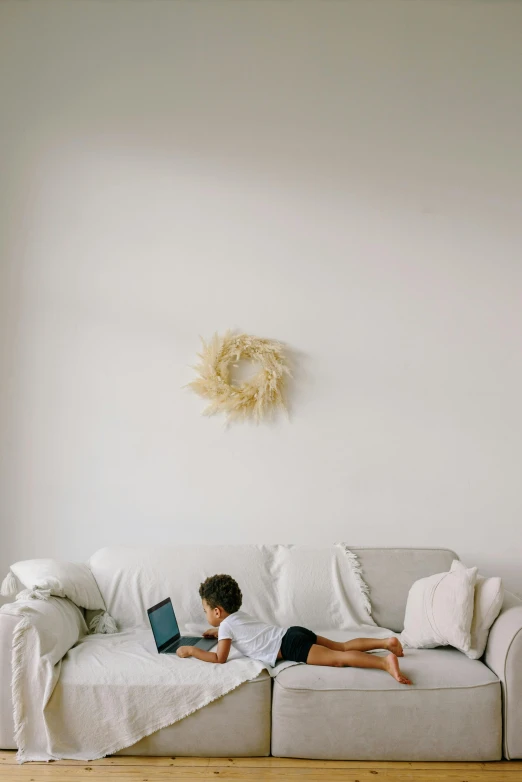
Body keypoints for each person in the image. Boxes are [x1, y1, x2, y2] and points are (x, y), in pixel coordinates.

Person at [176, 574, 412, 684]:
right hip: (293, 633)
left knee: (339, 658)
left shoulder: (227, 626)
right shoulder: (237, 618)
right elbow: (240, 632)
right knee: (341, 646)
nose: (205, 614)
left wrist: (191, 651)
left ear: (217, 612)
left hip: (290, 646)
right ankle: (385, 642)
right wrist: (218, 633)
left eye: (205, 609)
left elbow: (219, 658)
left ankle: (384, 663)